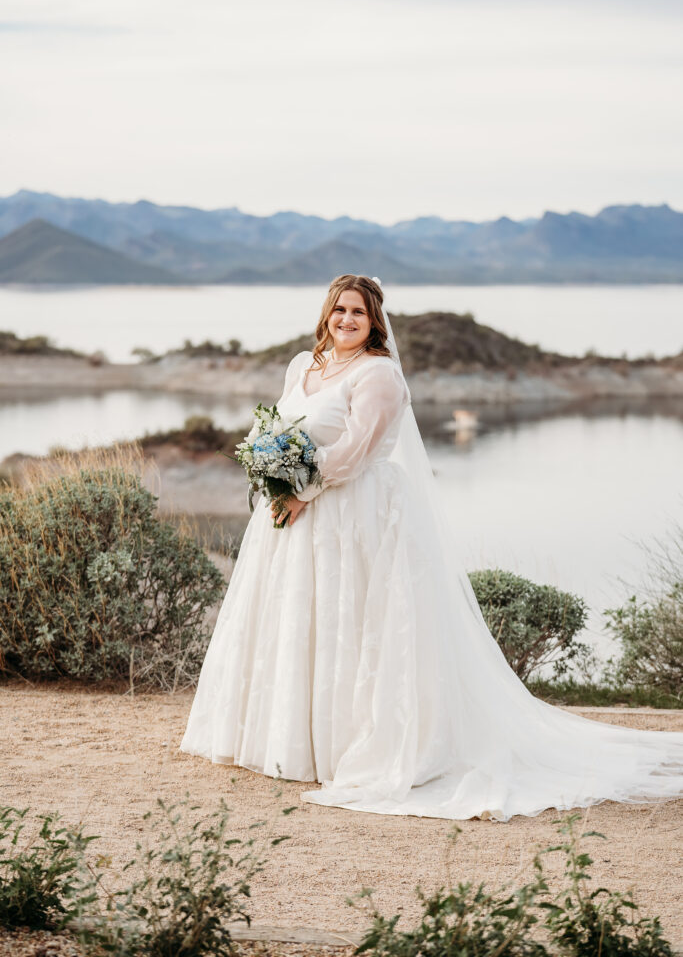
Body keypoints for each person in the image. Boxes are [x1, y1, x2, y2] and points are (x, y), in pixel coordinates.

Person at [180, 274, 683, 821]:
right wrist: (271, 473)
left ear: (375, 322)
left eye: (359, 313)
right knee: (292, 618)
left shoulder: (380, 375)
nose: (347, 320)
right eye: (340, 310)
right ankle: (281, 741)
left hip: (347, 515)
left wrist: (301, 490)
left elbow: (356, 451)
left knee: (346, 621)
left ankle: (337, 748)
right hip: (293, 517)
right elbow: (281, 427)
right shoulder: (303, 365)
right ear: (326, 313)